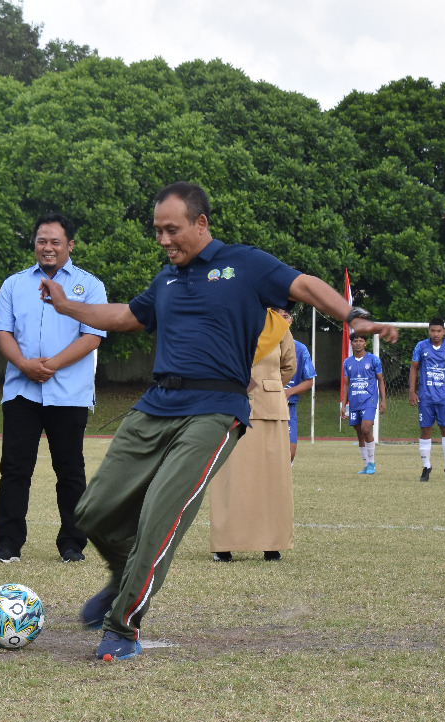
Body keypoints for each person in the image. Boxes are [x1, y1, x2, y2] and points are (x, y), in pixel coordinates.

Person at [37, 181, 398, 661]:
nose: (164, 240)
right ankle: (127, 572)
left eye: (172, 230)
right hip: (157, 404)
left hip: (215, 410)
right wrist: (66, 306)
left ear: (200, 223)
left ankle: (122, 627)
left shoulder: (245, 264)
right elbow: (125, 314)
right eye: (157, 231)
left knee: (158, 517)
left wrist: (352, 315)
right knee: (91, 510)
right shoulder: (166, 280)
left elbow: (305, 285)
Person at [0, 212, 106, 564]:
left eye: (56, 241)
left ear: (70, 245)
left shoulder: (90, 286)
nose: (48, 247)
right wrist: (24, 365)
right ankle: (8, 545)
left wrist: (52, 365)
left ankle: (72, 544)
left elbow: (93, 337)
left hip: (68, 393)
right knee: (14, 469)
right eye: (42, 241)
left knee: (70, 471)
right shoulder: (14, 284)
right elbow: (1, 332)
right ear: (35, 244)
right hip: (22, 392)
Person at [210, 319, 296, 563]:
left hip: (270, 407)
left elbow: (288, 366)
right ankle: (224, 543)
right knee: (229, 478)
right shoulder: (226, 320)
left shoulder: (279, 326)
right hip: (230, 405)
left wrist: (268, 385)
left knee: (272, 479)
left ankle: (272, 544)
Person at [408, 317, 445, 482]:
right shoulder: (421, 346)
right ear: (428, 331)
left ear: (444, 332)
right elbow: (414, 368)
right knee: (425, 430)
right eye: (433, 330)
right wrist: (412, 391)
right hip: (425, 397)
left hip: (444, 397)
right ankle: (426, 467)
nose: (436, 334)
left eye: (439, 331)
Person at [342, 332, 386, 474]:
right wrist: (343, 405)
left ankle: (372, 463)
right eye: (355, 341)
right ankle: (366, 465)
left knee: (366, 429)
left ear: (366, 343)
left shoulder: (373, 360)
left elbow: (380, 380)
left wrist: (383, 400)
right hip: (354, 401)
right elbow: (346, 384)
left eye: (361, 341)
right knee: (359, 432)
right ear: (352, 343)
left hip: (369, 400)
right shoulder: (347, 362)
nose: (358, 343)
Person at [284, 313, 316, 464]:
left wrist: (288, 392)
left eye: (286, 316)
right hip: (265, 406)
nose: (283, 320)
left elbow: (309, 381)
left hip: (288, 407)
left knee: (289, 453)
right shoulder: (263, 345)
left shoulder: (300, 349)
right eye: (279, 316)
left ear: (291, 320)